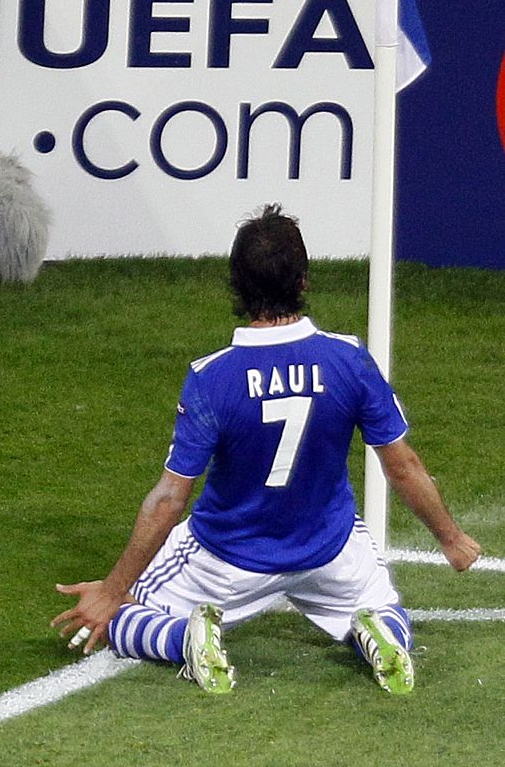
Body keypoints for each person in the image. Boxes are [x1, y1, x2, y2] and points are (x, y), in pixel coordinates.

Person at [51, 204, 482, 695]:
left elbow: (171, 499)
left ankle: (183, 638)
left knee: (122, 616)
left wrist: (110, 592)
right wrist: (450, 538)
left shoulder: (211, 378)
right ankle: (378, 632)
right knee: (383, 605)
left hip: (227, 561)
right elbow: (402, 466)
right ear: (302, 282)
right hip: (330, 551)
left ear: (236, 285)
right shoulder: (350, 359)